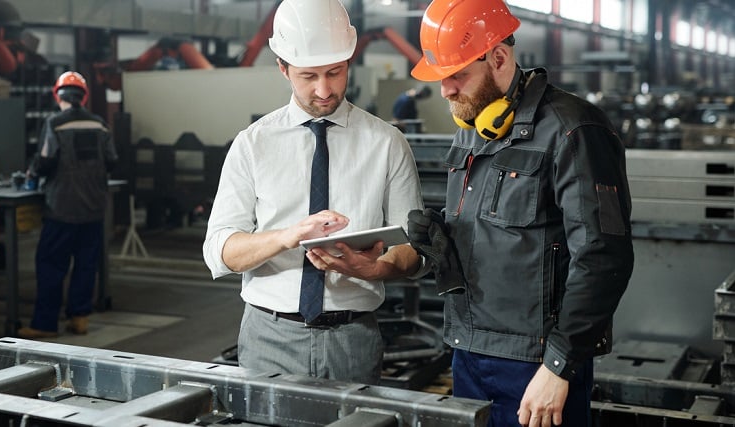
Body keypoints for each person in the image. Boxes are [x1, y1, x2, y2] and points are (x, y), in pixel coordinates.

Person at [406, 0, 634, 425]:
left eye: (457, 75)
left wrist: (559, 366)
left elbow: (604, 257)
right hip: (466, 352)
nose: (446, 90)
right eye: (441, 77)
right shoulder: (472, 132)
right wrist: (440, 244)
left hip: (535, 365)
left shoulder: (574, 130)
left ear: (499, 57)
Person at [202, 0, 424, 385]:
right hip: (268, 337)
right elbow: (220, 252)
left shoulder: (387, 143)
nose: (324, 90)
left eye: (335, 72)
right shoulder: (253, 145)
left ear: (349, 62)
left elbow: (415, 250)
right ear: (283, 68)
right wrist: (290, 236)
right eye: (308, 76)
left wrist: (377, 268)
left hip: (353, 339)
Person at [18, 71, 118, 339]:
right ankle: (80, 318)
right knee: (86, 263)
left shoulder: (54, 123)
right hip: (94, 208)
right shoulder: (99, 124)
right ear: (83, 96)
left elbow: (45, 160)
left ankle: (45, 323)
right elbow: (112, 161)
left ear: (57, 95)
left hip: (62, 207)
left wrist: (30, 175)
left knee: (51, 264)